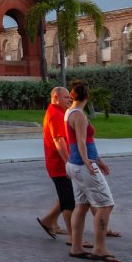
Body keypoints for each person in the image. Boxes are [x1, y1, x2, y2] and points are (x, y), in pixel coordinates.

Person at [65, 81, 122, 262]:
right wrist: (89, 162)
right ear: (87, 97)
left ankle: (76, 247)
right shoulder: (80, 116)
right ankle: (99, 248)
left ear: (72, 95)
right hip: (83, 166)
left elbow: (85, 142)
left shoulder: (69, 112)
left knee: (81, 206)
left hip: (75, 165)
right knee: (106, 205)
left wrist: (98, 160)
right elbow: (81, 142)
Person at [36, 86, 88, 249]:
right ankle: (73, 237)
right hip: (59, 165)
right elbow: (59, 141)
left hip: (59, 164)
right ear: (56, 98)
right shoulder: (55, 115)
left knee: (66, 195)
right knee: (69, 202)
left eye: (69, 97)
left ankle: (48, 221)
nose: (69, 100)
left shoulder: (57, 112)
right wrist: (68, 163)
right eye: (66, 97)